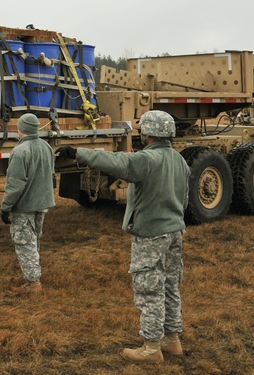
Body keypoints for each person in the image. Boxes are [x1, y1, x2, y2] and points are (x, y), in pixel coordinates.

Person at [72, 110, 190, 364]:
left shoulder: (147, 159)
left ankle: (151, 348)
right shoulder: (179, 160)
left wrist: (78, 153)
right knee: (170, 286)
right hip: (174, 232)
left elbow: (117, 163)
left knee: (149, 288)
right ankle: (172, 340)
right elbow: (185, 198)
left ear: (147, 133)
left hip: (151, 234)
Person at [1, 112, 56, 294]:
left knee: (25, 242)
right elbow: (51, 175)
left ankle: (33, 284)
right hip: (43, 202)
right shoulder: (46, 147)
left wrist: (6, 207)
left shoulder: (20, 151)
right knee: (34, 241)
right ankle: (30, 274)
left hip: (25, 205)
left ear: (21, 129)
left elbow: (15, 185)